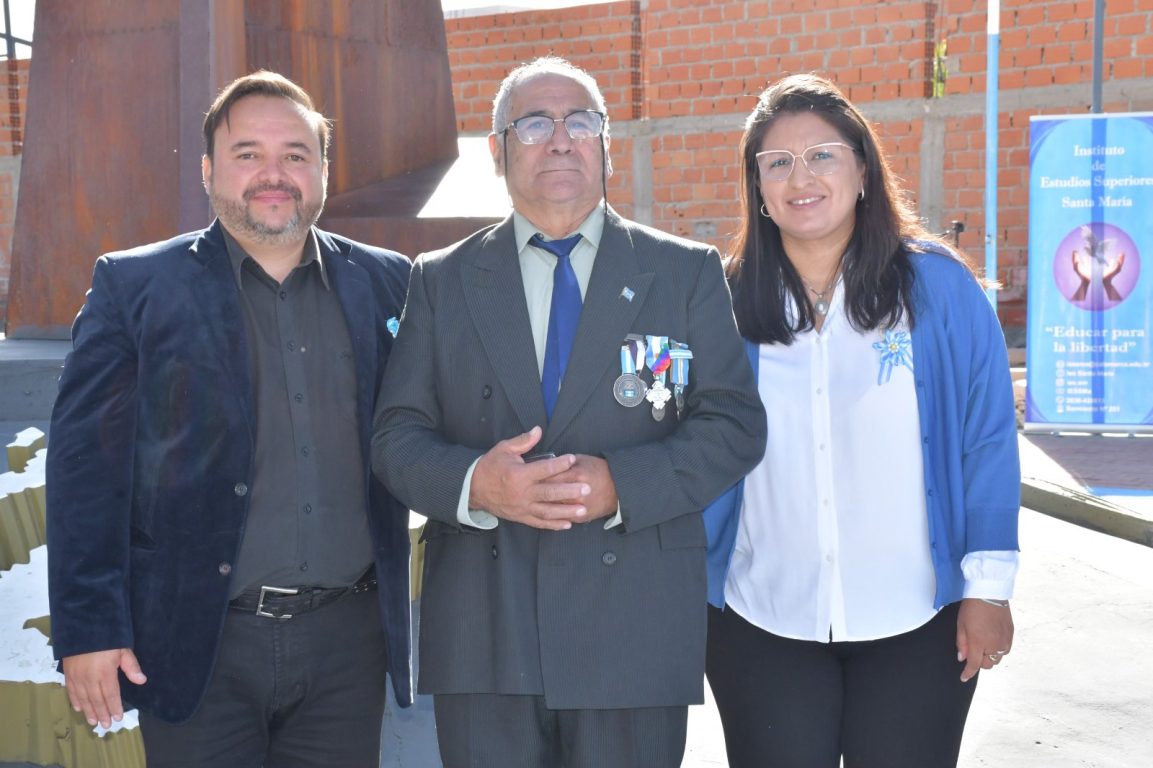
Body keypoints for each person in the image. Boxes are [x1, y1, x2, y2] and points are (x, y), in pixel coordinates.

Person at [372, 56, 765, 768]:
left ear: (605, 147)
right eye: (533, 124)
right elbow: (396, 438)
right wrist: (476, 484)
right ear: (497, 153)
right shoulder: (440, 280)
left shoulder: (684, 272)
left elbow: (735, 424)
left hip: (633, 630)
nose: (560, 139)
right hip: (486, 633)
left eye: (580, 122)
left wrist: (623, 484)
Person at [46, 70, 413, 767]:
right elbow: (84, 472)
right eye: (248, 154)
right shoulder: (134, 287)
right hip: (195, 643)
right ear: (210, 171)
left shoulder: (389, 282)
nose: (273, 174)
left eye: (295, 155)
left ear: (323, 171)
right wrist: (89, 627)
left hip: (348, 645)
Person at [703, 73, 1020, 768]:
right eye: (777, 162)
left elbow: (986, 439)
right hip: (760, 618)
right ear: (757, 187)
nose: (801, 178)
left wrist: (988, 591)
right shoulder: (722, 300)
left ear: (863, 172)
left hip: (918, 619)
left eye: (822, 155)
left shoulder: (937, 288)